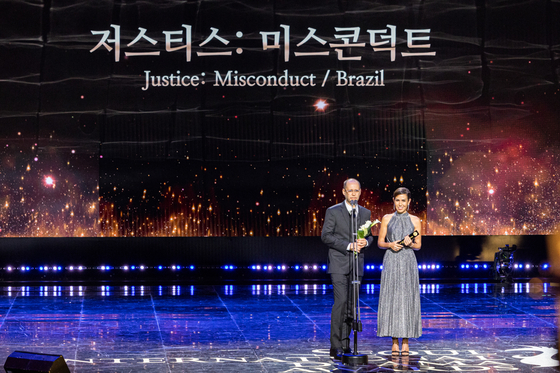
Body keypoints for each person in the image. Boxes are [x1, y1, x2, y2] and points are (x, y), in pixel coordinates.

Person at [321, 178, 374, 360]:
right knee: (341, 302)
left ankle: (345, 343)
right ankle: (335, 345)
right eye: (350, 190)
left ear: (360, 192)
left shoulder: (365, 213)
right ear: (343, 192)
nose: (353, 194)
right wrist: (348, 245)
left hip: (356, 265)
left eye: (356, 191)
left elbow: (370, 236)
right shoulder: (333, 211)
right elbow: (326, 236)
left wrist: (365, 241)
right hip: (338, 263)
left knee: (352, 307)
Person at [377, 187, 422, 356]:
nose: (400, 204)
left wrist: (410, 243)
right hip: (391, 260)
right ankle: (394, 341)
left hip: (408, 261)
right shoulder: (387, 218)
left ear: (409, 202)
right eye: (397, 200)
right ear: (393, 201)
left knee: (406, 299)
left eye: (404, 200)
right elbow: (380, 242)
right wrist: (390, 244)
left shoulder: (416, 220)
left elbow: (418, 245)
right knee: (392, 298)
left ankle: (406, 341)